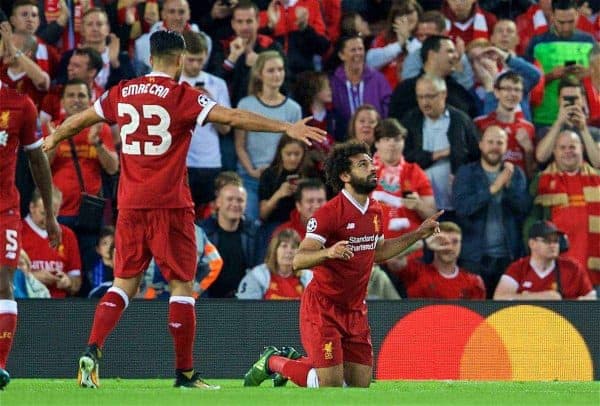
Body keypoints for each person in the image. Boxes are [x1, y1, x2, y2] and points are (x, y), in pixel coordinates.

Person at [42, 30, 325, 389]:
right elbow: (233, 117)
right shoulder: (181, 95)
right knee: (181, 285)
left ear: (150, 59)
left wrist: (54, 137)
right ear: (179, 61)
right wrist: (286, 125)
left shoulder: (122, 91)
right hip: (170, 206)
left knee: (123, 284)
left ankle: (92, 350)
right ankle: (186, 374)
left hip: (129, 205)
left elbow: (82, 118)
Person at [243, 141, 442, 388]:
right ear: (345, 175)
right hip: (324, 308)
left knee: (359, 387)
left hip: (355, 309)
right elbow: (298, 259)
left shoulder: (375, 211)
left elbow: (378, 253)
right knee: (331, 386)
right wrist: (329, 253)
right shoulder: (329, 213)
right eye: (362, 164)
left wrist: (418, 233)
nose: (372, 168)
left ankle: (295, 360)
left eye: (371, 162)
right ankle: (273, 361)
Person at [0, 78, 61, 389]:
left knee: (3, 282)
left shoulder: (20, 104)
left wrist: (50, 215)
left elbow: (37, 159)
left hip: (4, 210)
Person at [453, 126, 531, 297]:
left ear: (505, 147)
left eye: (500, 142)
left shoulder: (515, 173)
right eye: (490, 142)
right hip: (473, 257)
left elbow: (524, 210)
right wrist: (493, 188)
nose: (495, 146)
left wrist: (509, 189)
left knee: (505, 316)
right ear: (481, 145)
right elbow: (463, 209)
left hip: (508, 257)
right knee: (473, 315)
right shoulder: (466, 173)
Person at [400, 74, 481, 219]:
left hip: (455, 206)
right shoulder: (410, 121)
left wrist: (463, 179)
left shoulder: (461, 120)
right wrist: (438, 154)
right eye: (420, 97)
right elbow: (404, 158)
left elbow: (476, 156)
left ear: (444, 94)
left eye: (430, 96)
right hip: (420, 208)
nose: (425, 102)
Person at [235, 50, 302, 221]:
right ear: (259, 74)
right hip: (251, 177)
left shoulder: (294, 109)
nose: (277, 74)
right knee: (250, 222)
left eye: (280, 69)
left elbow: (296, 146)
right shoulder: (245, 104)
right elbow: (240, 145)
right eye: (271, 70)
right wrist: (252, 170)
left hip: (279, 179)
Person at [528, 130, 600, 287]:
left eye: (572, 147)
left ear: (582, 148)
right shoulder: (541, 181)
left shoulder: (598, 180)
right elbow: (531, 223)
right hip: (556, 273)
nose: (568, 151)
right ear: (554, 151)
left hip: (596, 275)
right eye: (562, 147)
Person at [179, 31, 231, 217]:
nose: (195, 65)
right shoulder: (171, 84)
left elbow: (226, 128)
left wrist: (210, 106)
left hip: (210, 162)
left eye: (200, 60)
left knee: (210, 218)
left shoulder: (217, 84)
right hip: (181, 162)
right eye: (191, 60)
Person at [494, 221, 596, 300]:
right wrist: (542, 297)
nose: (553, 245)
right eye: (547, 241)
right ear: (532, 244)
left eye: (556, 241)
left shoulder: (573, 268)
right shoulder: (518, 268)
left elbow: (591, 299)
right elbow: (499, 298)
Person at [372, 118, 436, 242]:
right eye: (386, 139)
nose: (392, 144)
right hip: (374, 249)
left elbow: (432, 216)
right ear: (377, 143)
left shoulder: (415, 172)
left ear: (404, 143)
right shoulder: (364, 172)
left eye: (397, 139)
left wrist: (419, 206)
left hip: (409, 246)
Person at [388, 221, 486, 299]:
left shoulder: (473, 282)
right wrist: (424, 243)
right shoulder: (416, 272)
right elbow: (392, 258)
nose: (449, 246)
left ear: (461, 245)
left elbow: (477, 319)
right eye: (442, 241)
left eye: (455, 242)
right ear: (434, 242)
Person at [200, 178, 261, 298]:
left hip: (244, 302)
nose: (235, 204)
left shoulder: (255, 233)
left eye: (240, 200)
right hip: (207, 301)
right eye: (229, 199)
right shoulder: (202, 233)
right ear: (218, 202)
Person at [474, 71, 537, 177]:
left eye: (517, 90)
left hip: (518, 188)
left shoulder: (528, 128)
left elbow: (530, 174)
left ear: (522, 95)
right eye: (507, 89)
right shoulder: (480, 124)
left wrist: (529, 150)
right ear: (496, 92)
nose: (512, 94)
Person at [330, 33, 392, 141]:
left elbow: (388, 109)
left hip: (375, 140)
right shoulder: (333, 82)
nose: (358, 53)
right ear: (341, 55)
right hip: (343, 141)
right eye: (353, 50)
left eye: (360, 49)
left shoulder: (378, 79)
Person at [237, 229, 312, 300]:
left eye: (293, 247)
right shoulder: (257, 276)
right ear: (274, 250)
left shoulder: (309, 278)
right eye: (284, 246)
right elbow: (247, 309)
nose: (289, 251)